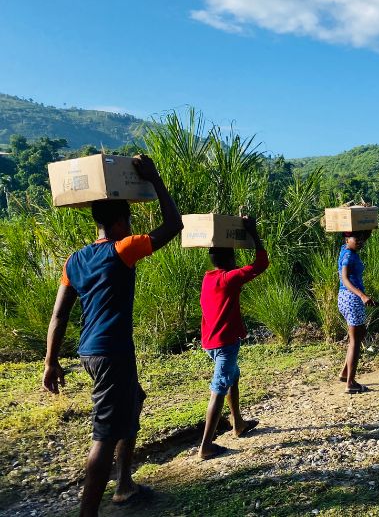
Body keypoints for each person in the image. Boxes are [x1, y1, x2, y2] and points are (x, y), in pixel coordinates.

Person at [42, 155, 182, 516]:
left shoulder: (74, 260)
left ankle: (124, 484)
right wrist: (154, 178)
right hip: (112, 352)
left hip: (90, 352)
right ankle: (91, 509)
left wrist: (50, 361)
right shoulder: (124, 248)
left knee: (134, 399)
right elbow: (174, 225)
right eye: (129, 220)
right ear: (121, 221)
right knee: (103, 436)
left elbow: (59, 315)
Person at [197, 217, 268, 460]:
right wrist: (253, 233)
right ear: (230, 260)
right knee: (219, 388)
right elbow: (261, 264)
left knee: (232, 376)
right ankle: (206, 445)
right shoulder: (229, 279)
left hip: (210, 342)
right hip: (224, 344)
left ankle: (238, 423)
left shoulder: (209, 278)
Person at [337, 231, 377, 393]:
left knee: (360, 334)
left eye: (361, 238)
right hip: (352, 298)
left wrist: (368, 222)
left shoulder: (345, 249)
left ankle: (345, 372)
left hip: (346, 298)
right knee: (355, 340)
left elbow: (363, 236)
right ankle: (350, 383)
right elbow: (345, 279)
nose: (360, 241)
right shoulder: (348, 256)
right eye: (356, 239)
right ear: (347, 239)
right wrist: (362, 296)